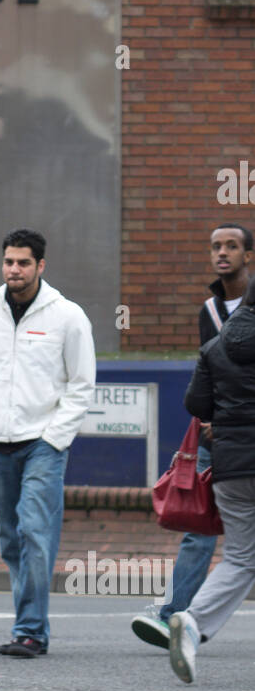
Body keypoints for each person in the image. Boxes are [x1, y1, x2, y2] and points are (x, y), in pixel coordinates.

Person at [0, 229, 96, 656]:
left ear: (40, 266)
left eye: (23, 263)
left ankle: (30, 629)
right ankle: (28, 623)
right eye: (9, 262)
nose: (14, 270)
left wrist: (55, 439)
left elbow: (82, 383)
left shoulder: (67, 316)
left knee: (36, 531)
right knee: (11, 538)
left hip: (42, 445)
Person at [132, 222, 253, 649]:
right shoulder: (209, 310)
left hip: (234, 435)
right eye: (216, 246)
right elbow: (210, 377)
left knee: (240, 547)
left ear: (248, 256)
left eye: (232, 246)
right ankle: (174, 617)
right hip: (213, 436)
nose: (222, 253)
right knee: (199, 524)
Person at [168, 274, 255, 684]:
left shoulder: (215, 347)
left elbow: (196, 403)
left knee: (240, 557)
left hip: (231, 470)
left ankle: (192, 622)